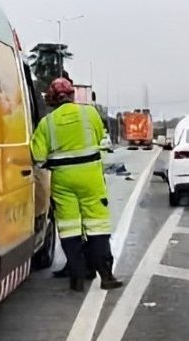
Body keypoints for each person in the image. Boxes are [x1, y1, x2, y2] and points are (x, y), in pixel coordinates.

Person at [31, 78, 123, 292]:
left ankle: (77, 278)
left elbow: (37, 155)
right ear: (72, 95)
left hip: (63, 180)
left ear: (52, 100)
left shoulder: (47, 123)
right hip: (90, 177)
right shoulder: (89, 113)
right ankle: (106, 276)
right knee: (97, 225)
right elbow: (100, 137)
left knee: (69, 228)